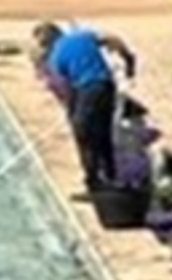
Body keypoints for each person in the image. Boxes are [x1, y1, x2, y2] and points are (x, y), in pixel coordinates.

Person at [35, 21, 139, 194]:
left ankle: (94, 184)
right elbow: (113, 39)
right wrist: (128, 59)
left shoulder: (56, 58)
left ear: (48, 43)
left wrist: (72, 114)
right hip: (107, 87)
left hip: (88, 90)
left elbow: (68, 91)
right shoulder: (83, 36)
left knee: (84, 135)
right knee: (103, 133)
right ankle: (110, 177)